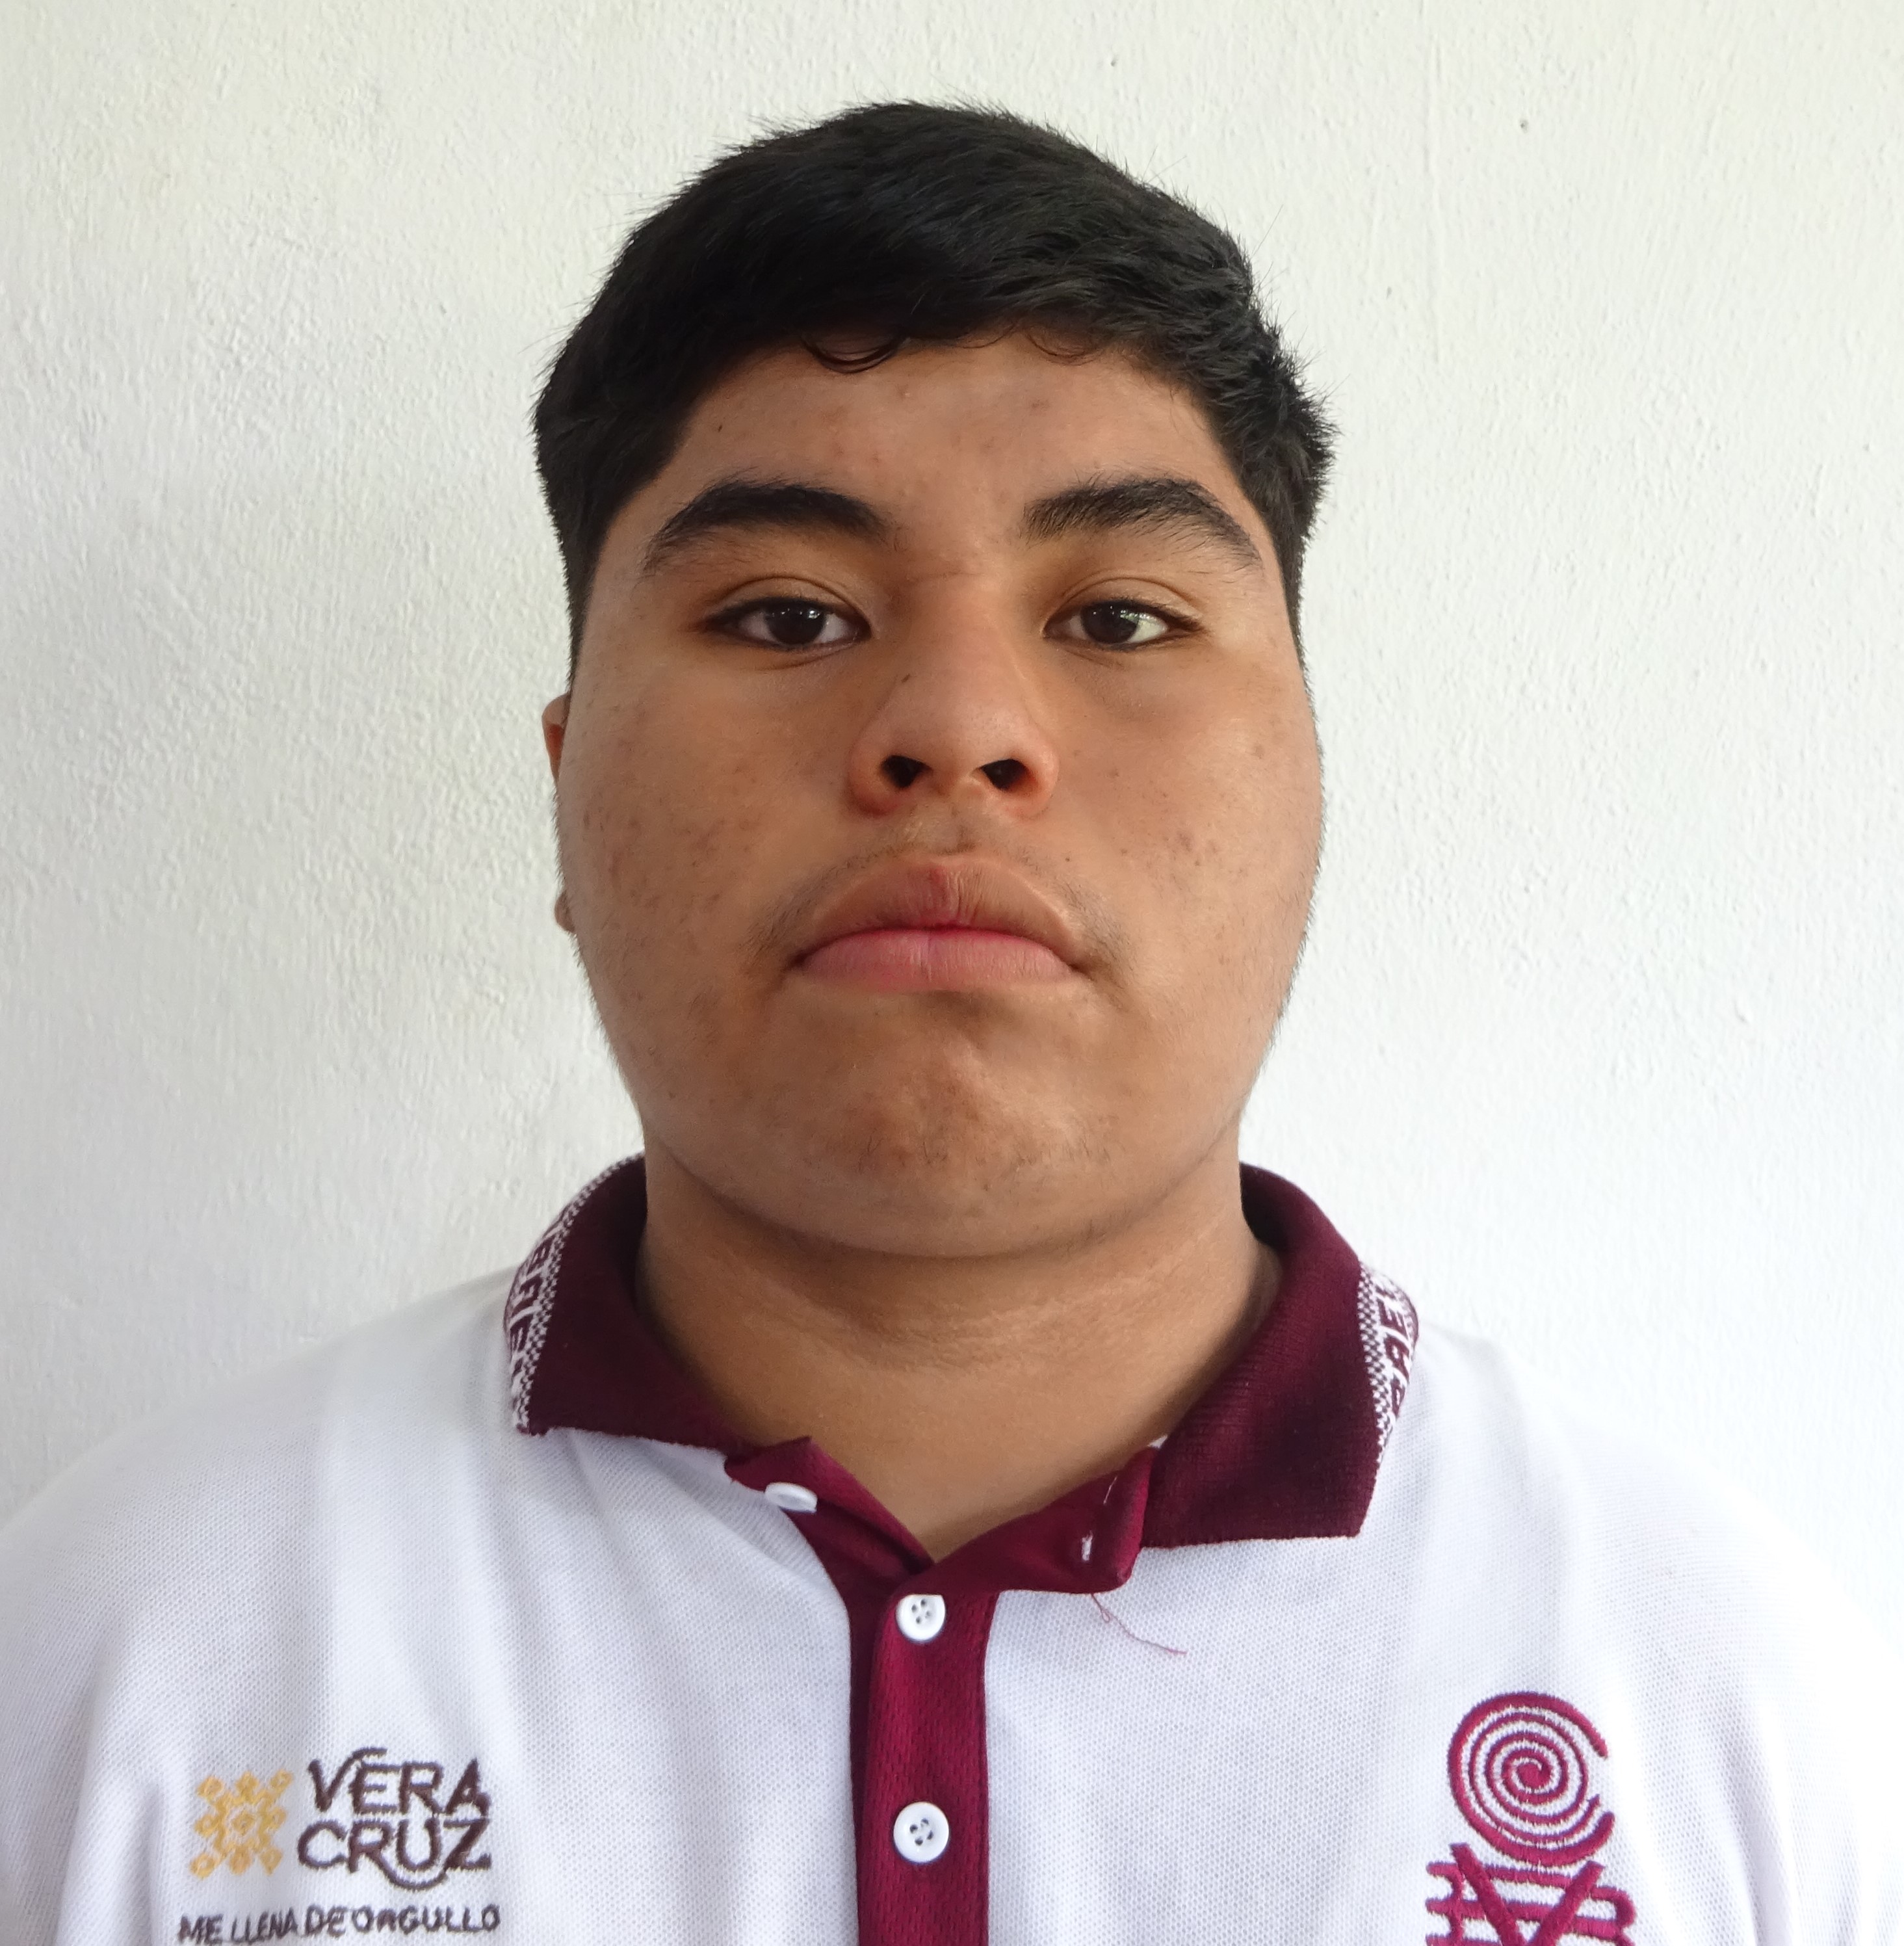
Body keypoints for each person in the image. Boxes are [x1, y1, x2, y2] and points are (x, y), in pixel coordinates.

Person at [1, 99, 1899, 1946]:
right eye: (787, 615)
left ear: (1310, 780)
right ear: (565, 789)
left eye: (1121, 619)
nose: (959, 729)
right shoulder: (126, 1649)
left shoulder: (1721, 1704)